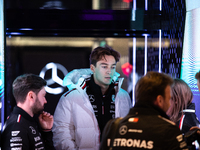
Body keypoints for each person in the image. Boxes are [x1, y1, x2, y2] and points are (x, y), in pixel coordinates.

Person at [52, 46, 132, 150]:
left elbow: (128, 131)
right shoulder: (70, 98)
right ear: (92, 68)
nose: (109, 71)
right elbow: (61, 133)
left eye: (112, 67)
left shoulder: (123, 96)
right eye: (104, 66)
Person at [100, 71, 188, 150]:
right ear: (160, 100)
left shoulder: (113, 127)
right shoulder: (169, 130)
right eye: (169, 98)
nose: (169, 104)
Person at [1, 74, 55, 150]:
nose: (45, 101)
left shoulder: (28, 121)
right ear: (31, 96)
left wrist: (46, 132)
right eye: (43, 96)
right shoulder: (17, 126)